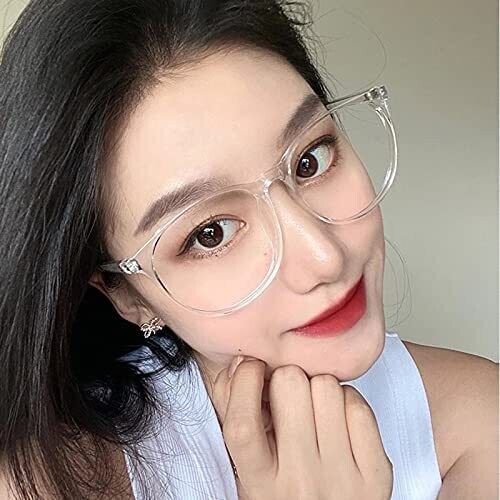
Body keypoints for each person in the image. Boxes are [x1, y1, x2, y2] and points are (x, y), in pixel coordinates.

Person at [0, 0, 497, 499]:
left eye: (310, 160)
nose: (325, 257)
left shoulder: (480, 424)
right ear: (127, 293)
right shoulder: (39, 485)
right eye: (211, 233)